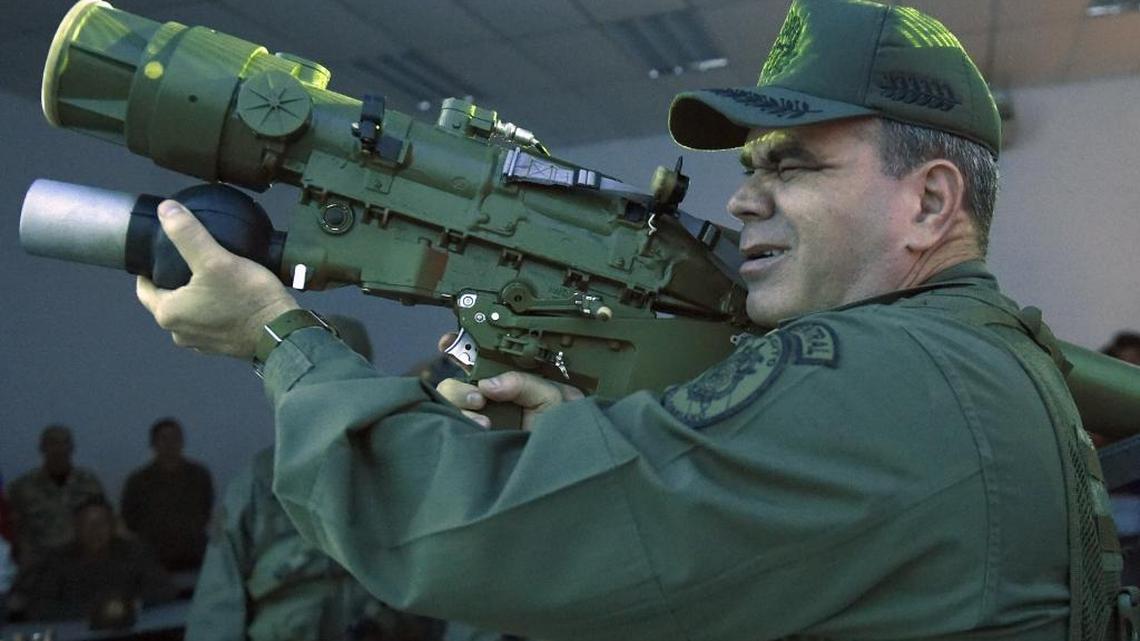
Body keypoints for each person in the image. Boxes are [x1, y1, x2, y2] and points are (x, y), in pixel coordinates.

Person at [131, 1, 1125, 639]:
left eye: (794, 165)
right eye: (748, 170)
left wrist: (276, 338)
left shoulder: (879, 374)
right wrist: (589, 438)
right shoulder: (981, 357)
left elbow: (458, 532)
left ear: (929, 202)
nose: (744, 201)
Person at [13, 497, 176, 622]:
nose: (95, 530)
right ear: (76, 528)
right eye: (87, 524)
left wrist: (131, 606)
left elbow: (165, 590)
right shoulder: (58, 559)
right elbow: (38, 607)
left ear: (112, 526)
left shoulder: (135, 552)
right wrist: (94, 610)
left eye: (101, 523)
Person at [121, 417, 215, 572]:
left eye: (175, 438)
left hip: (193, 554)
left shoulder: (199, 475)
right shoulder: (138, 481)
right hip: (152, 558)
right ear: (153, 443)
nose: (169, 444)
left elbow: (206, 510)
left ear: (182, 441)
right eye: (163, 439)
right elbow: (130, 518)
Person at [7, 425, 105, 568]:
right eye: (53, 443)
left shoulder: (89, 482)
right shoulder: (22, 487)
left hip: (83, 563)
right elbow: (14, 529)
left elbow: (104, 522)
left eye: (65, 443)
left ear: (72, 448)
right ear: (42, 448)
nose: (59, 448)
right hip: (40, 564)